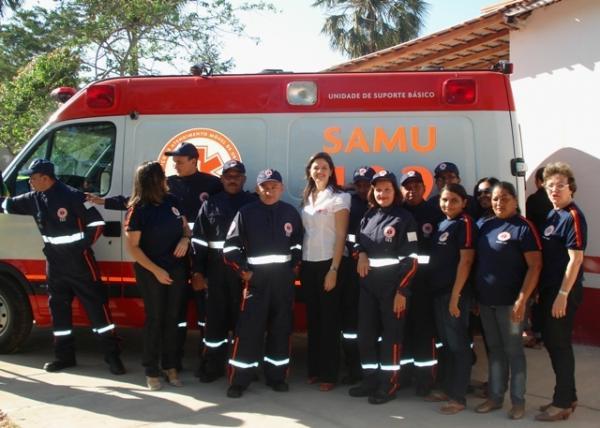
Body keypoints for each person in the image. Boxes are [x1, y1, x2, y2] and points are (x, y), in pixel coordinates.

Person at [88, 142, 223, 370]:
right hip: (169, 258)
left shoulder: (212, 184)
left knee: (204, 309)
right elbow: (139, 199)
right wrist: (104, 201)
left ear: (194, 160)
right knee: (174, 313)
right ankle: (173, 360)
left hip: (199, 255)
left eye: (179, 161)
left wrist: (187, 239)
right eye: (174, 161)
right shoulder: (169, 185)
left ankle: (206, 359)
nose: (175, 165)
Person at [0, 159, 124, 374]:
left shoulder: (72, 196)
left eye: (33, 177)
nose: (29, 181)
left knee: (96, 309)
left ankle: (112, 357)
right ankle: (64, 357)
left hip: (79, 263)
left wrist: (80, 248)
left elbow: (96, 224)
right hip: (55, 264)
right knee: (59, 311)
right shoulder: (34, 198)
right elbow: (7, 205)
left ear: (45, 178)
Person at [223, 168, 303, 398]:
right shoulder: (246, 213)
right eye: (264, 187)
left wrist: (294, 268)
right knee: (248, 331)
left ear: (281, 188)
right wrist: (244, 272)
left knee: (281, 329)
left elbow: (298, 244)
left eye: (273, 186)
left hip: (283, 282)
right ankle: (239, 380)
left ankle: (277, 377)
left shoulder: (290, 213)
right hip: (256, 282)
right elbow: (229, 248)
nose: (269, 191)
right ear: (257, 189)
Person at [349, 170, 418, 405]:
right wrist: (361, 254)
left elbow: (412, 258)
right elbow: (357, 241)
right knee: (366, 335)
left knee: (391, 337)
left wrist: (402, 291)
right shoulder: (368, 216)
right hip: (368, 286)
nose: (382, 193)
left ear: (395, 192)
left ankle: (389, 384)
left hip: (393, 288)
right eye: (378, 189)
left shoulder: (404, 218)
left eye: (387, 189)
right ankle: (370, 379)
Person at [474, 182, 542, 420]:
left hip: (511, 303)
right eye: (494, 199)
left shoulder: (523, 228)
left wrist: (522, 300)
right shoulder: (484, 225)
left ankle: (518, 401)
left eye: (504, 198)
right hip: (486, 301)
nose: (498, 203)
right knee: (495, 351)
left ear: (514, 200)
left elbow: (535, 266)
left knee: (514, 352)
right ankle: (494, 397)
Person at [124, 161, 191, 390]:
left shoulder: (173, 202)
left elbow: (185, 228)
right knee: (155, 319)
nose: (166, 180)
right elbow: (133, 248)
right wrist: (157, 270)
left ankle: (170, 366)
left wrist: (185, 239)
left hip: (176, 270)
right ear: (151, 181)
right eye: (162, 176)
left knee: (173, 319)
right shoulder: (138, 209)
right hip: (150, 271)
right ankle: (151, 369)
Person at [191, 160, 256, 382]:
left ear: (244, 179)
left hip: (243, 274)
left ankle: (245, 369)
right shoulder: (210, 205)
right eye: (228, 175)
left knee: (245, 323)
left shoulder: (252, 203)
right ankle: (212, 366)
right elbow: (198, 242)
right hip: (216, 273)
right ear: (221, 179)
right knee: (215, 323)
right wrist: (197, 272)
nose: (232, 179)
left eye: (237, 175)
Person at [535, 162, 586, 422]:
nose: (555, 189)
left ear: (571, 188)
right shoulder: (553, 215)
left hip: (563, 292)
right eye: (550, 185)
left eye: (560, 185)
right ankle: (568, 396)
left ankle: (563, 402)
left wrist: (563, 295)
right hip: (548, 290)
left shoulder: (572, 216)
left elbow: (575, 259)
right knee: (553, 345)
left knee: (560, 345)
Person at [300, 152, 350, 391]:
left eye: (324, 167)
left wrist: (334, 269)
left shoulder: (340, 198)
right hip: (308, 264)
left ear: (331, 171)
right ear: (309, 171)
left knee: (330, 321)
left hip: (329, 263)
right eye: (315, 167)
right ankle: (315, 369)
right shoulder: (307, 197)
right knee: (314, 319)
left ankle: (329, 374)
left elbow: (340, 235)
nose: (319, 171)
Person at [426, 183, 476, 414]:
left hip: (453, 294)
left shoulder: (464, 223)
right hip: (439, 293)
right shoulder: (442, 223)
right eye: (444, 200)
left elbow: (465, 261)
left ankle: (458, 396)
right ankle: (447, 388)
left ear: (464, 202)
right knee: (446, 344)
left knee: (458, 345)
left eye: (454, 200)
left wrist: (455, 296)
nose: (448, 204)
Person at [399, 170, 440, 396]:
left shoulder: (433, 213)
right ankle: (404, 375)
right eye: (407, 186)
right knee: (403, 330)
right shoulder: (398, 213)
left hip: (424, 284)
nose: (412, 190)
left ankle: (425, 379)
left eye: (416, 185)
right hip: (403, 284)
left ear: (424, 189)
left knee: (424, 332)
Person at [339, 166, 375, 384]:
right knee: (350, 322)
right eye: (358, 184)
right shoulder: (348, 203)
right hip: (350, 270)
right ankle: (353, 368)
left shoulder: (380, 205)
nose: (363, 189)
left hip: (374, 272)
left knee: (372, 322)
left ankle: (373, 368)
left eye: (367, 184)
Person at [525, 167, 553, 349]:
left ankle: (537, 333)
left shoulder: (534, 200)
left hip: (535, 252)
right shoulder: (558, 201)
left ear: (537, 181)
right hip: (553, 255)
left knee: (535, 294)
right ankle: (546, 334)